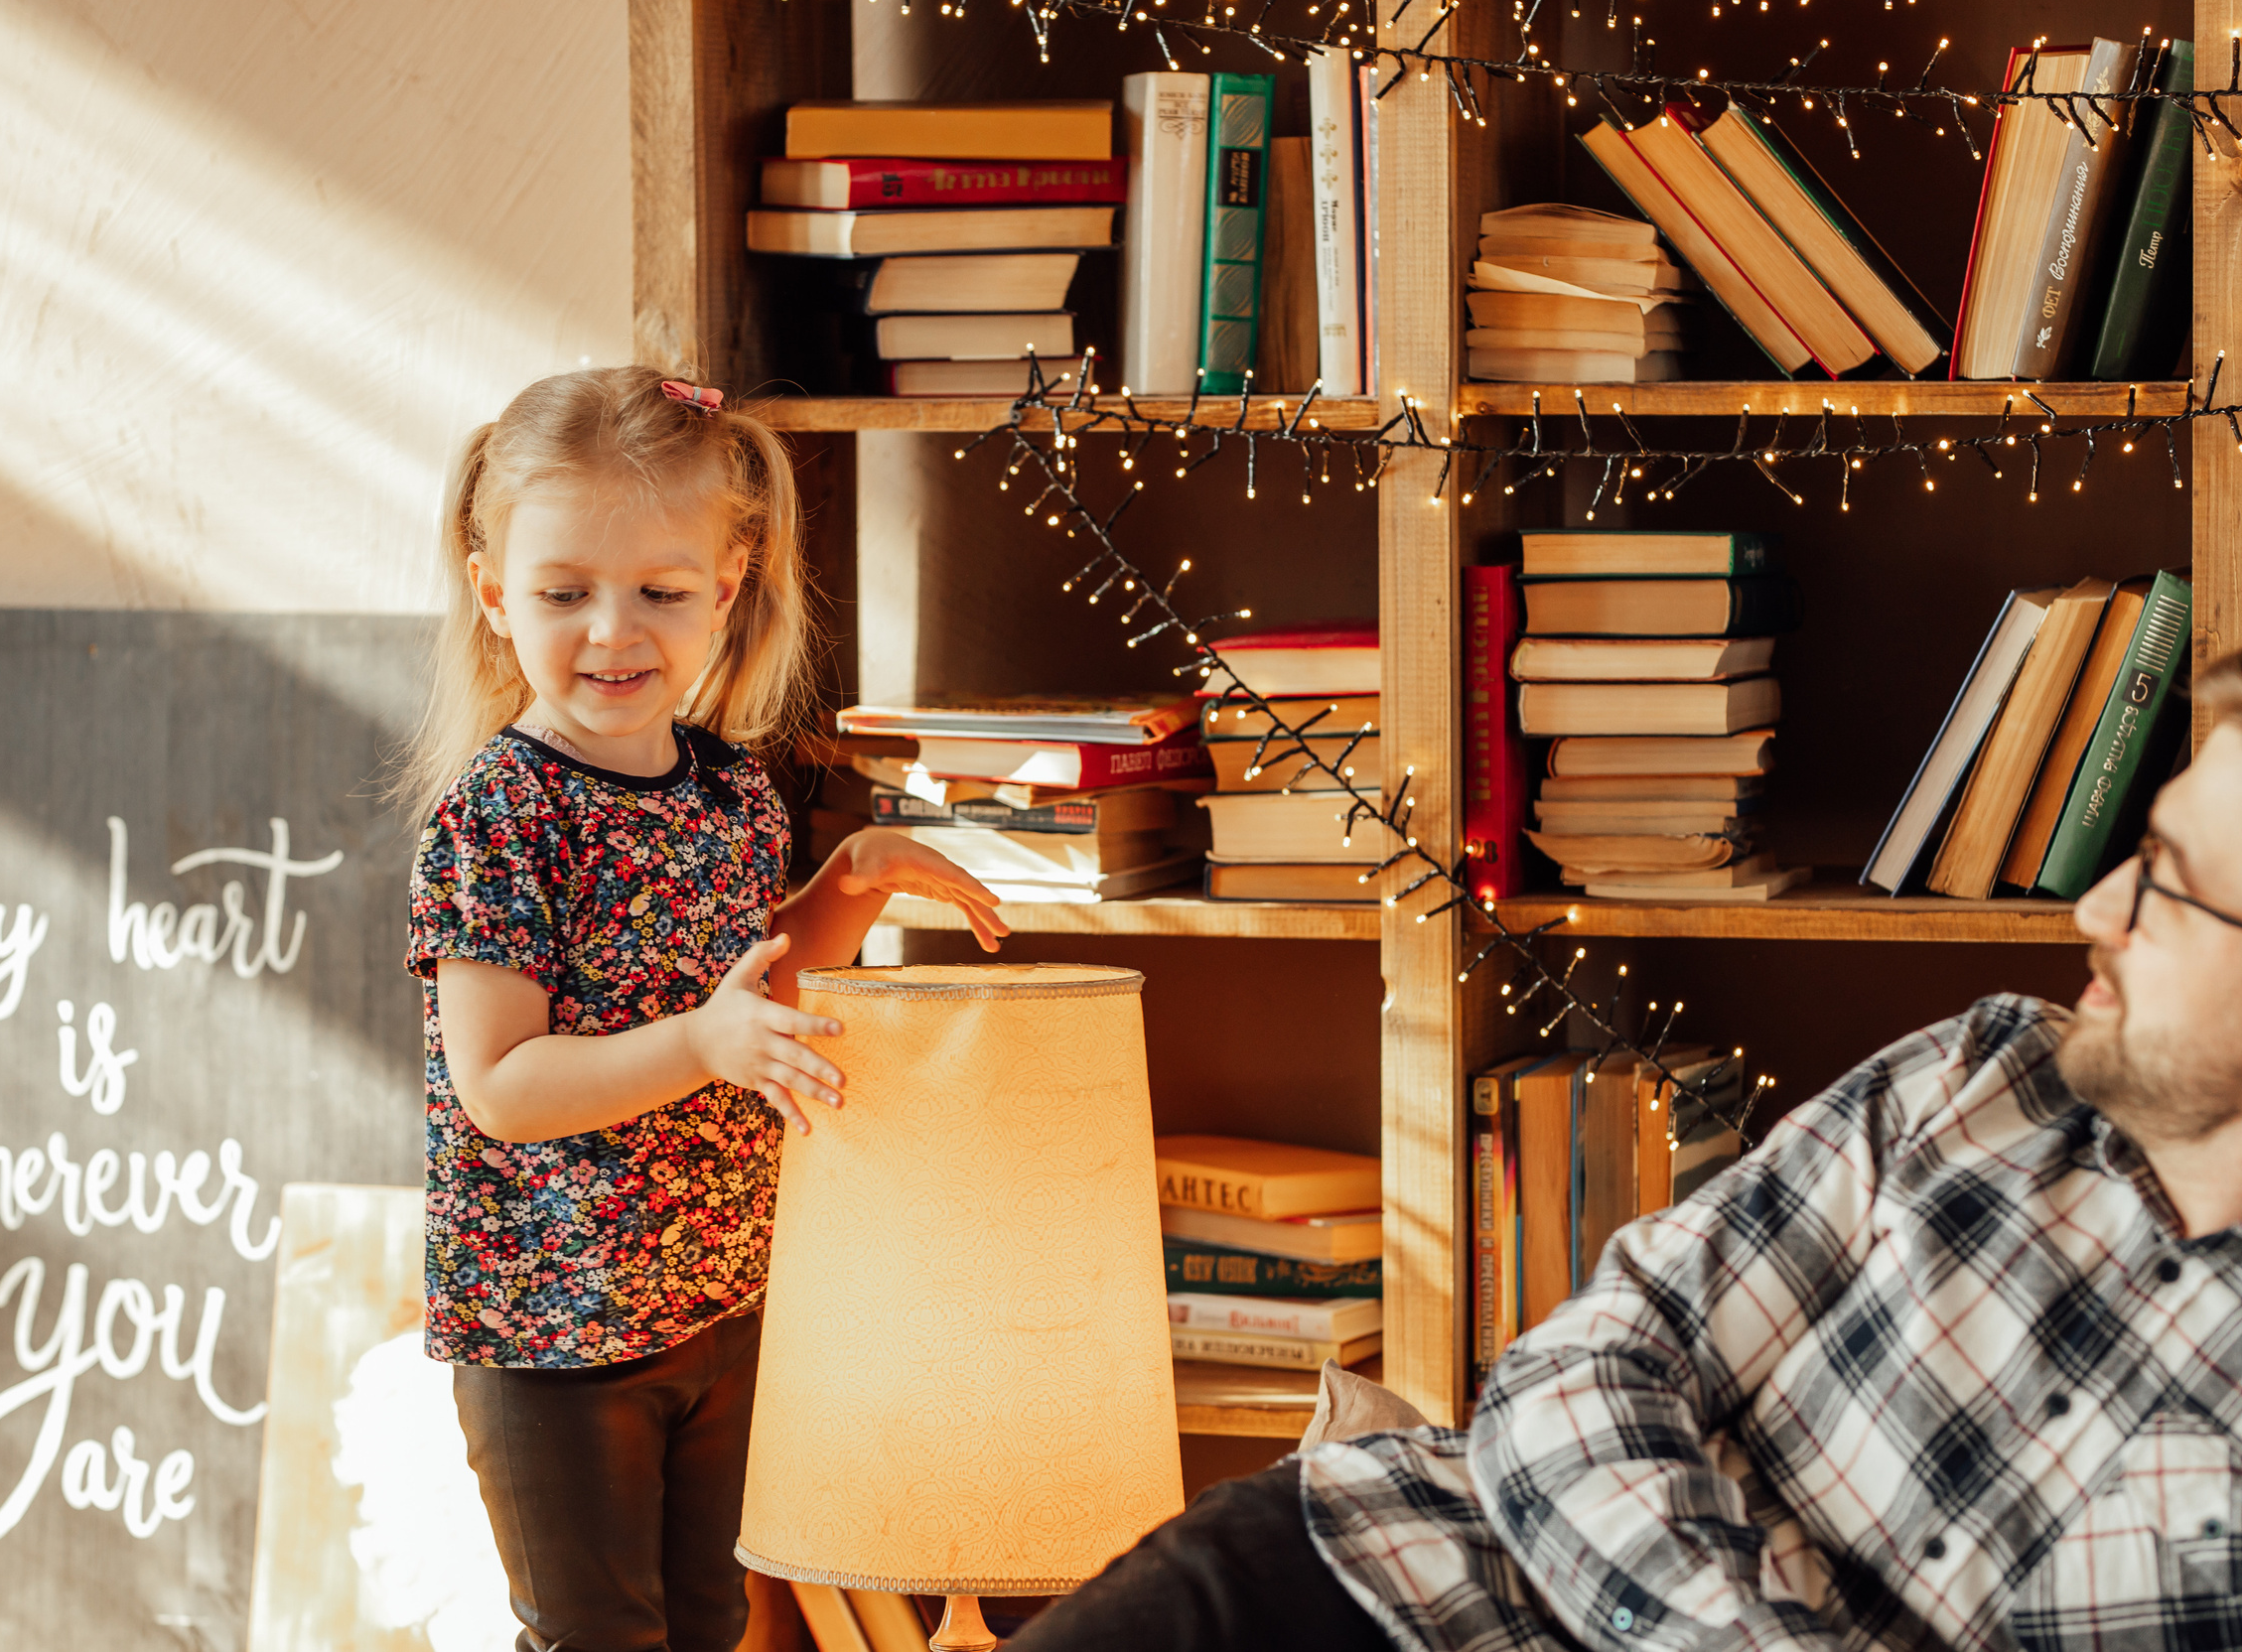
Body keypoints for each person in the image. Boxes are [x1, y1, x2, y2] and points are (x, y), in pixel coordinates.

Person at [1019, 648, 2242, 1652]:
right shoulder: (1987, 1074)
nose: (2094, 908)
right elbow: (1586, 1366)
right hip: (1396, 1582)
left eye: (2169, 887)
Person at [399, 367, 1007, 1652]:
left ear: (725, 588)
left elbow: (752, 995)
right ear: (495, 591)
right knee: (600, 1633)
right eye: (564, 592)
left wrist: (846, 883)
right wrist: (696, 1046)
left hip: (720, 1297)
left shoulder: (728, 787)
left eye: (659, 592)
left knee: (711, 1617)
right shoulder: (501, 814)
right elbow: (500, 1083)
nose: (612, 630)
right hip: (555, 1324)